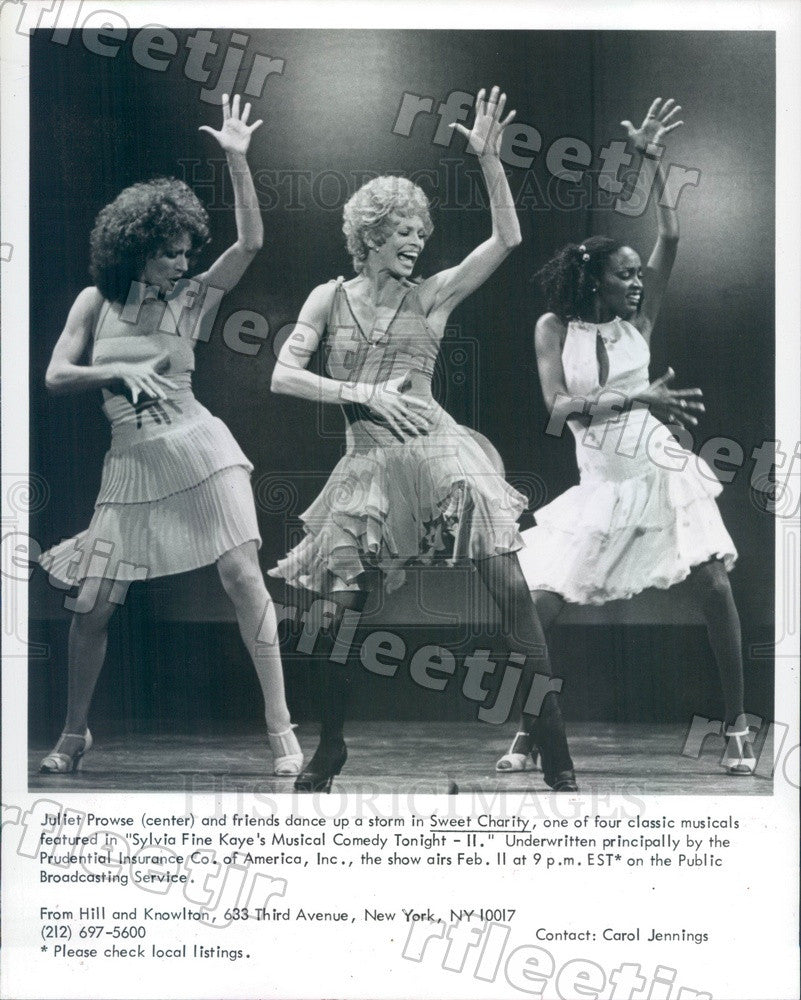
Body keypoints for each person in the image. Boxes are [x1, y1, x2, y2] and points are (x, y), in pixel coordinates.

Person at [270, 87, 578, 794]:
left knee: (507, 581)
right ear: (370, 235)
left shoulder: (433, 293)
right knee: (331, 613)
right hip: (367, 464)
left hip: (438, 452)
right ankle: (330, 748)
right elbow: (283, 375)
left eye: (421, 231)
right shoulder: (328, 298)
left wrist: (488, 160)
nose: (416, 241)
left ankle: (555, 749)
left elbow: (507, 240)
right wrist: (359, 392)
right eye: (403, 230)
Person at [38, 95, 302, 777]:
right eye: (168, 255)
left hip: (201, 449)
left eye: (186, 252)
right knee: (93, 604)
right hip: (130, 464)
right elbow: (56, 376)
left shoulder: (192, 300)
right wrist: (121, 367)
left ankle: (281, 730)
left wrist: (238, 161)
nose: (181, 265)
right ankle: (74, 732)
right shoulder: (95, 302)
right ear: (135, 250)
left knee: (242, 575)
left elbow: (250, 244)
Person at [497, 98, 754, 777]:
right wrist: (632, 396)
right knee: (540, 607)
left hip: (658, 473)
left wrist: (652, 162)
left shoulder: (638, 324)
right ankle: (531, 734)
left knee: (713, 587)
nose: (637, 281)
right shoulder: (554, 328)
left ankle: (735, 730)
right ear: (593, 280)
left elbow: (670, 240)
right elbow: (557, 410)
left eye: (639, 276)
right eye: (624, 274)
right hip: (600, 486)